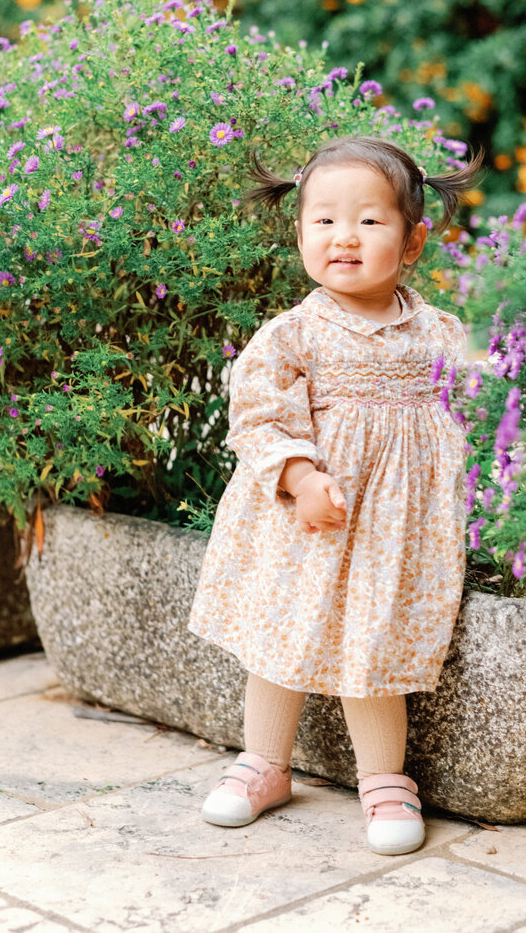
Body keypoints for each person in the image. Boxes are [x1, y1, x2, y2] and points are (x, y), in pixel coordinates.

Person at [188, 134, 481, 855]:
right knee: (281, 638)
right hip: (308, 523)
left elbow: (482, 392)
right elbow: (257, 409)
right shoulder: (295, 333)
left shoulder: (438, 331)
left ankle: (384, 778)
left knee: (373, 644)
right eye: (323, 220)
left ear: (413, 242)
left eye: (369, 221)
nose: (343, 236)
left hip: (394, 532)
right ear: (299, 234)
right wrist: (298, 475)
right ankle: (264, 763)